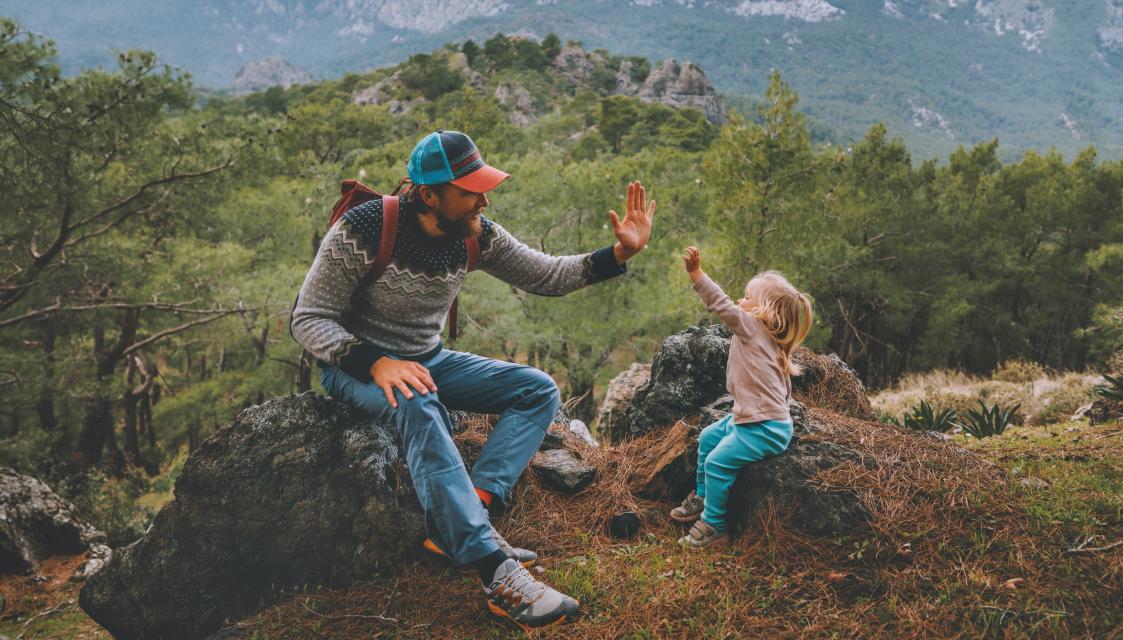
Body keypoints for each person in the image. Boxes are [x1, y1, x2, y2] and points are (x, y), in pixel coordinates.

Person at [290, 129, 655, 630]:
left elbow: (546, 275)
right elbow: (308, 319)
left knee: (537, 389)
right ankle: (495, 571)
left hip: (428, 358)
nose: (484, 199)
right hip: (353, 369)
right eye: (470, 190)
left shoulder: (475, 234)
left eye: (484, 187)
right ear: (428, 194)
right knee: (417, 402)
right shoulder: (366, 228)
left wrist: (618, 254)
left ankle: (469, 513)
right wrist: (377, 363)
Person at [670, 246, 813, 547]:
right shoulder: (770, 340)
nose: (740, 300)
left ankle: (715, 526)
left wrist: (697, 275)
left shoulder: (751, 327)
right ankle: (704, 496)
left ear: (764, 310)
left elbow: (722, 305)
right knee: (708, 437)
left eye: (748, 297)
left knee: (718, 462)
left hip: (764, 428)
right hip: (751, 419)